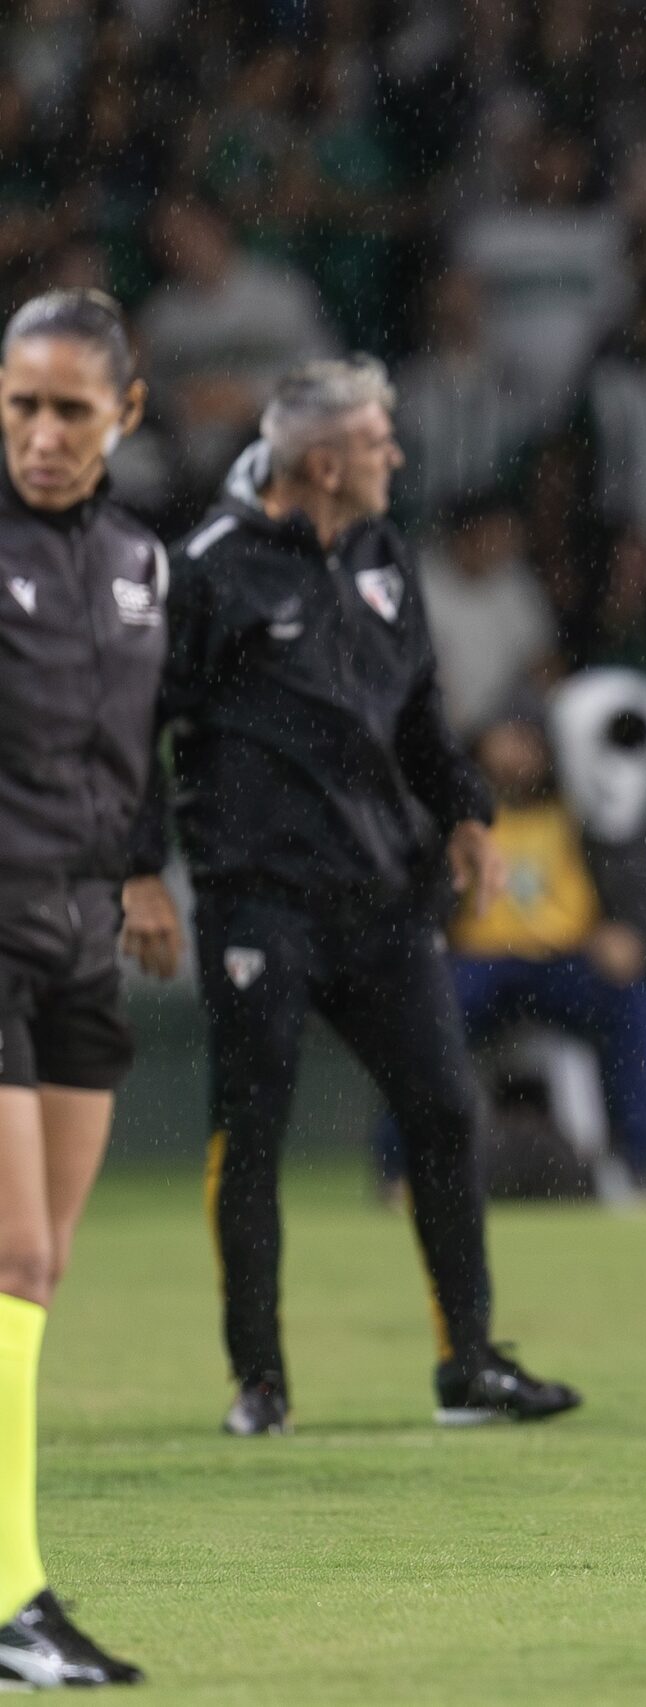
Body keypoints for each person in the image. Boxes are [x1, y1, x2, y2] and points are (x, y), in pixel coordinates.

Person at [123, 358, 580, 1437]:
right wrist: (142, 869)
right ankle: (260, 1381)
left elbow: (419, 710)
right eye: (380, 441)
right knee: (254, 1132)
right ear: (324, 463)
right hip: (256, 903)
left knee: (444, 1110)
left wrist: (464, 810)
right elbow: (139, 730)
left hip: (381, 895)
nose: (397, 457)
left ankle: (468, 1366)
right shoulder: (209, 570)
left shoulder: (382, 555)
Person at [0, 290, 154, 1687]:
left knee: (35, 1271)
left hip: (81, 939)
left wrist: (148, 875)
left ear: (126, 410)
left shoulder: (139, 561)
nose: (41, 434)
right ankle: (13, 1593)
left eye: (68, 408)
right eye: (20, 406)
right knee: (12, 1257)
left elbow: (135, 756)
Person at [373, 712, 646, 1199]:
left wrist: (632, 934)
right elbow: (414, 896)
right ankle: (404, 1170)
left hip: (566, 960)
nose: (518, 756)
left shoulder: (584, 813)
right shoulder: (455, 815)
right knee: (422, 1013)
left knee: (635, 1003)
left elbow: (645, 893)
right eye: (506, 741)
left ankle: (638, 1169)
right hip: (477, 960)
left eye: (529, 742)